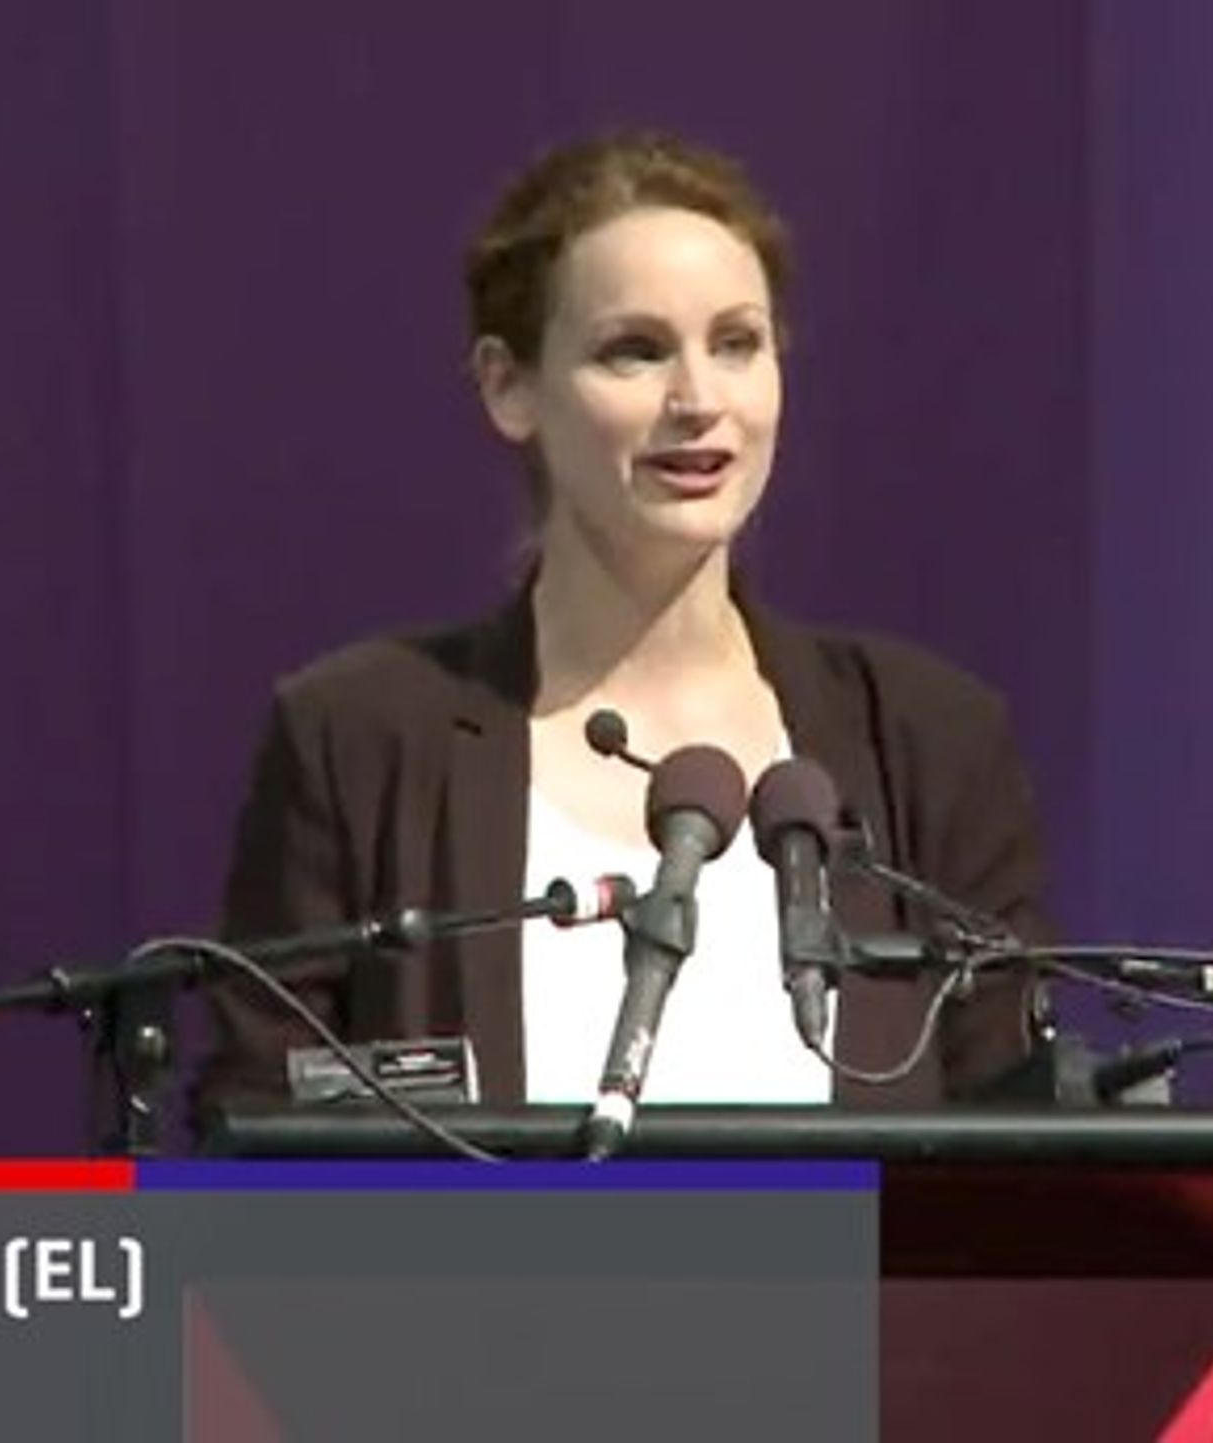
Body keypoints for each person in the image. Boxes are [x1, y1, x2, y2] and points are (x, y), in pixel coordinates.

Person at [192, 130, 1050, 1120]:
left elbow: (1018, 1144)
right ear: (509, 387)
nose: (699, 400)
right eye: (634, 351)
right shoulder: (357, 739)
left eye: (737, 343)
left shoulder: (930, 742)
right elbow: (261, 1133)